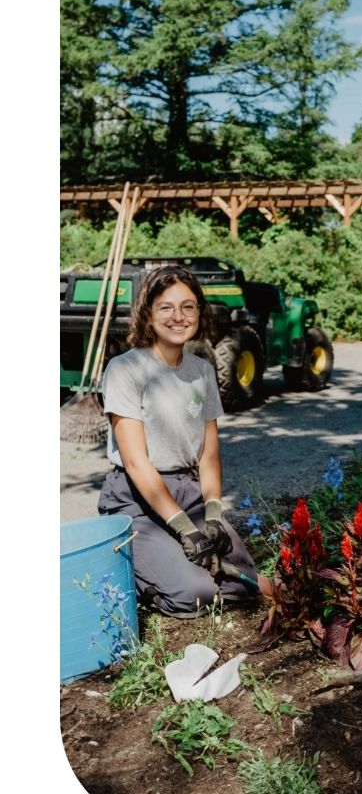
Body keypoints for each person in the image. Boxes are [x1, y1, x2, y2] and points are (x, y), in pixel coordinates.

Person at [97, 264, 269, 618]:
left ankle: (174, 560)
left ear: (199, 313)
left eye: (188, 307)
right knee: (196, 595)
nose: (178, 317)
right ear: (148, 313)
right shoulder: (125, 370)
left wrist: (213, 515)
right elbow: (136, 463)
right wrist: (185, 530)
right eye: (166, 307)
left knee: (242, 585)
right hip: (136, 499)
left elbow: (209, 452)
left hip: (188, 495)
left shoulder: (201, 372)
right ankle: (132, 567)